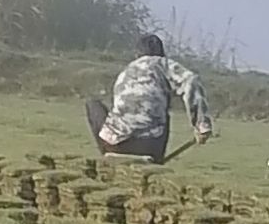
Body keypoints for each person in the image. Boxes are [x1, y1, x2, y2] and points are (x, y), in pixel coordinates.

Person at [85, 29, 211, 166]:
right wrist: (202, 125)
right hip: (148, 145)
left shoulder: (125, 72)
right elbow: (190, 80)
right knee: (163, 112)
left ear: (137, 54)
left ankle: (107, 155)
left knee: (93, 105)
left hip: (114, 143)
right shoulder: (163, 64)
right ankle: (156, 161)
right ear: (161, 54)